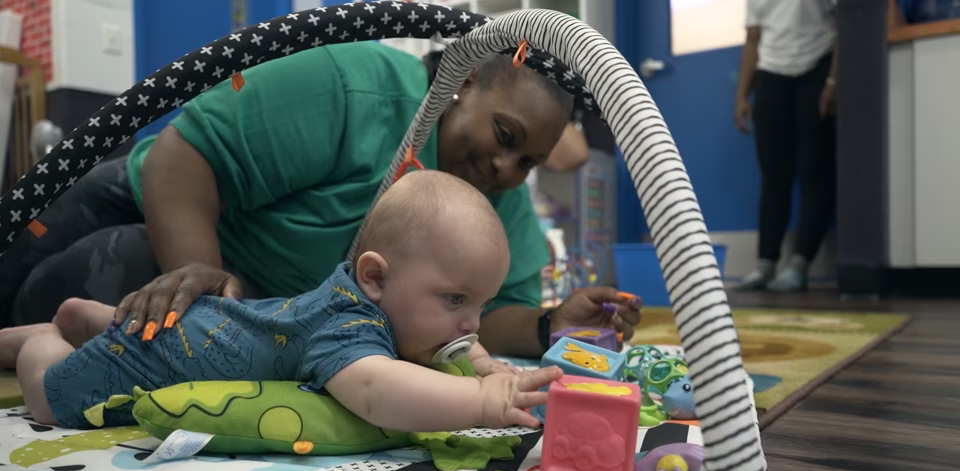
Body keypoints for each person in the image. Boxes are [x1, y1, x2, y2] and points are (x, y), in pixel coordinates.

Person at [0, 41, 638, 359]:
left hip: (248, 291)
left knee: (84, 304)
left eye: (527, 161)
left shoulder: (497, 200)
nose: (506, 168)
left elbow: (475, 316)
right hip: (163, 205)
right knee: (38, 276)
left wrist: (552, 324)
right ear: (463, 83)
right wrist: (195, 267)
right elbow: (183, 155)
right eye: (504, 137)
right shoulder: (357, 90)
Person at [0, 170, 565, 431]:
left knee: (193, 324)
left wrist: (484, 366)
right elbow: (375, 390)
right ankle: (43, 339)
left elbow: (446, 353)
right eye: (456, 299)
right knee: (53, 400)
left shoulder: (370, 301)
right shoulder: (349, 327)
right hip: (150, 354)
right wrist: (485, 402)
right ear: (375, 277)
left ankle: (96, 319)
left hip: (205, 322)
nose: (470, 323)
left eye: (480, 306)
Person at [734, 0, 838, 292]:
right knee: (773, 173)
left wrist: (833, 80)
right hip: (770, 72)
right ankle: (765, 264)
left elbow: (843, 24)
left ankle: (800, 263)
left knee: (815, 169)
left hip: (817, 64)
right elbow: (752, 39)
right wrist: (742, 96)